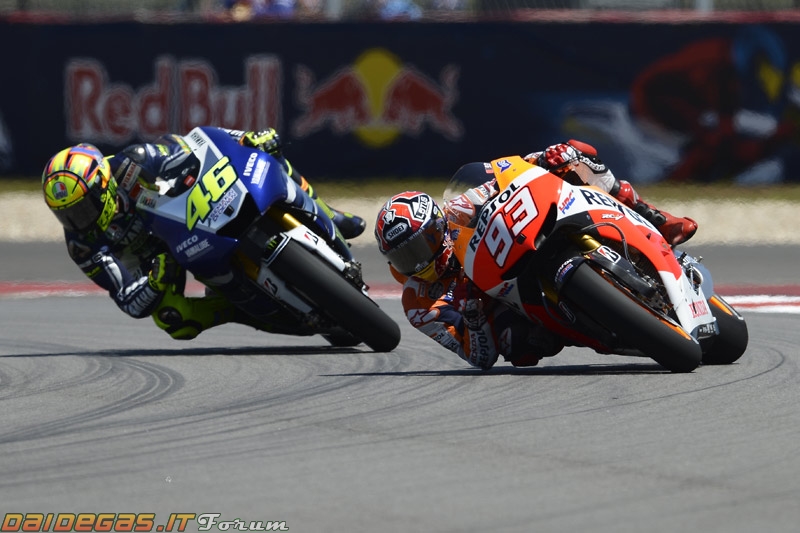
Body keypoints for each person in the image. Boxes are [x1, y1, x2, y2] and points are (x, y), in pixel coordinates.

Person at [374, 139, 698, 370]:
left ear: (437, 227)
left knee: (577, 157)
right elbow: (478, 357)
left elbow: (508, 171)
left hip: (521, 242)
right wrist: (474, 318)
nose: (417, 262)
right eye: (404, 257)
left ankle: (656, 218)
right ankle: (595, 324)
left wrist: (546, 157)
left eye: (418, 247)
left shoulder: (460, 208)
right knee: (518, 345)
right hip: (503, 304)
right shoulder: (418, 303)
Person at [41, 127, 366, 340]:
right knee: (173, 320)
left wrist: (245, 138)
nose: (76, 220)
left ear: (103, 186)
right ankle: (238, 308)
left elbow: (198, 144)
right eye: (65, 214)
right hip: (160, 261)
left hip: (183, 219)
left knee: (266, 152)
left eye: (82, 208)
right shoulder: (82, 245)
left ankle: (330, 214)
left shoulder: (133, 162)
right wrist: (154, 282)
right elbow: (127, 300)